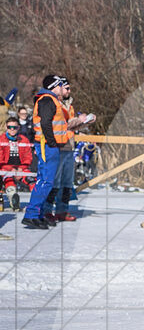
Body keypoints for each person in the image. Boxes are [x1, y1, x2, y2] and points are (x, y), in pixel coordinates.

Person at [24, 75, 91, 229]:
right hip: (47, 145)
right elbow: (45, 123)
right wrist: (52, 142)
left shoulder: (53, 100)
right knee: (46, 181)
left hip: (52, 145)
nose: (64, 88)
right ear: (55, 86)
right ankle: (32, 214)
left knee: (46, 181)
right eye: (61, 85)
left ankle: (38, 214)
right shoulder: (47, 100)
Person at [0, 119, 35, 211]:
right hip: (5, 169)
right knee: (9, 182)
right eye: (9, 127)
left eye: (14, 127)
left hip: (21, 168)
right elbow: (0, 159)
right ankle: (14, 201)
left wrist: (20, 168)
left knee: (31, 180)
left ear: (18, 128)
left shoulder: (24, 140)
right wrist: (10, 169)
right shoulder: (1, 139)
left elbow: (28, 157)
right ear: (6, 128)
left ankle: (36, 203)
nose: (12, 129)